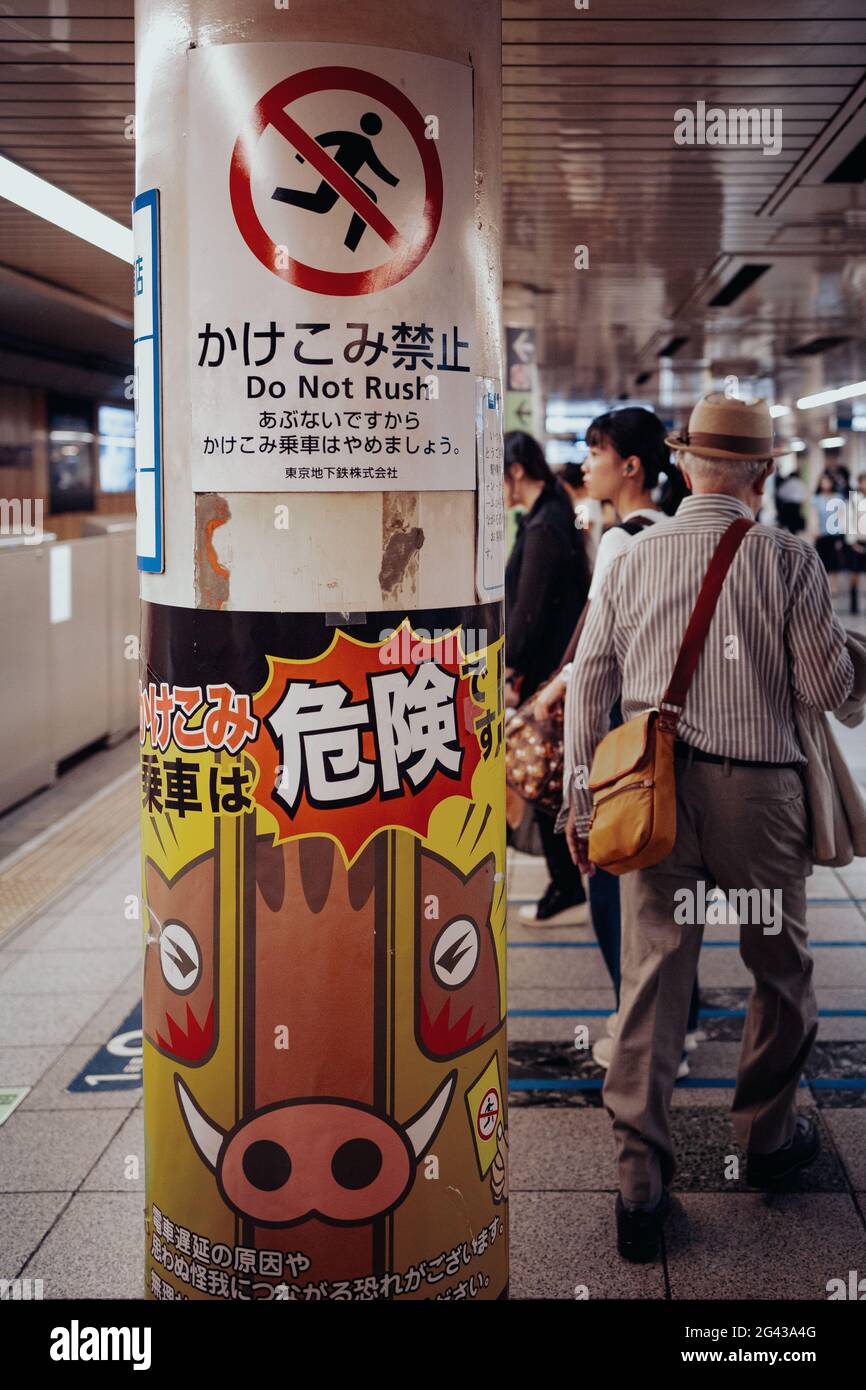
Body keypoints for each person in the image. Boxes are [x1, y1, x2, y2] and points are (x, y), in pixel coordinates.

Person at [564, 392, 855, 1264]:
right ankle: (766, 1140)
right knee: (779, 967)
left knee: (655, 976)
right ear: (762, 476)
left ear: (684, 465)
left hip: (653, 795)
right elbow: (825, 691)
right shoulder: (787, 559)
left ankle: (639, 1188)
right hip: (760, 800)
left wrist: (582, 799)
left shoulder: (634, 558)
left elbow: (590, 680)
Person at [536, 409, 703, 1071]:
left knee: (610, 875)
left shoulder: (620, 542)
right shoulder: (675, 532)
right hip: (675, 724)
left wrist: (554, 695)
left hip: (622, 726)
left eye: (595, 451)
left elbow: (598, 652)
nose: (586, 464)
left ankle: (635, 1026)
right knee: (666, 880)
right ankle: (680, 1024)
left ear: (631, 466)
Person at [504, 431, 591, 925]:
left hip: (550, 675)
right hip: (555, 670)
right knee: (548, 779)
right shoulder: (549, 516)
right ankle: (568, 883)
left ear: (516, 470)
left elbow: (530, 612)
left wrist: (510, 663)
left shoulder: (543, 527)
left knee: (544, 778)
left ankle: (567, 886)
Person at [811, 471, 846, 597]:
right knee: (823, 560)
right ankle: (824, 584)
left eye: (828, 482)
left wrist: (842, 531)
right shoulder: (816, 498)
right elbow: (814, 515)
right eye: (823, 482)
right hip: (822, 533)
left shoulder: (838, 497)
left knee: (835, 559)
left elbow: (842, 515)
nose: (825, 484)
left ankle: (834, 585)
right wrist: (814, 530)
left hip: (835, 533)